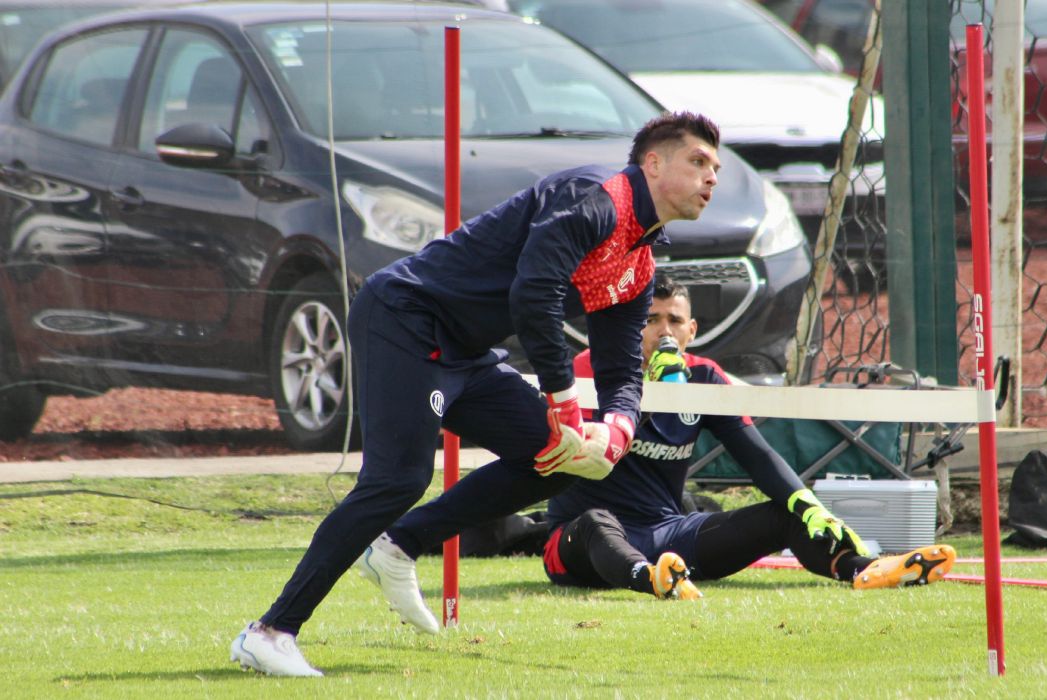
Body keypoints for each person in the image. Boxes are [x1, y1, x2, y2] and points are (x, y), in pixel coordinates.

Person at [229, 112, 721, 677]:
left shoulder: (639, 262)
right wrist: (564, 402)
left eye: (715, 168)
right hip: (403, 318)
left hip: (464, 353)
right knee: (398, 480)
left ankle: (398, 545)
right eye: (698, 162)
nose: (711, 178)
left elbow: (620, 372)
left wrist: (617, 428)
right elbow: (533, 294)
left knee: (562, 460)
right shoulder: (596, 198)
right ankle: (269, 632)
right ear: (652, 164)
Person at [539, 276, 958, 600]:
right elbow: (584, 450)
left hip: (667, 535)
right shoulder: (589, 369)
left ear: (692, 330)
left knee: (785, 513)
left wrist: (811, 508)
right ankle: (652, 581)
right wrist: (647, 393)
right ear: (631, 326)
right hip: (580, 537)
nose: (662, 331)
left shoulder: (703, 377)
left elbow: (758, 457)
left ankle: (865, 569)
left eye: (674, 321)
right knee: (596, 522)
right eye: (649, 320)